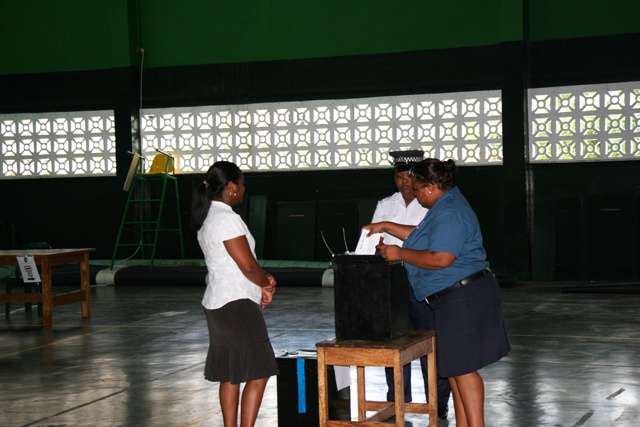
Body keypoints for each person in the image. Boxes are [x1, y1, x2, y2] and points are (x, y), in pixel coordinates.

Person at [364, 158, 510, 427]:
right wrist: (384, 225)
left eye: (417, 190)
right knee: (454, 369)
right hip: (450, 298)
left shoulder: (450, 211)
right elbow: (419, 235)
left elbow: (441, 258)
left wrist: (399, 253)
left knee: (464, 370)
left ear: (430, 186)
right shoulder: (443, 206)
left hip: (462, 296)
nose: (416, 196)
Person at [191, 161, 279, 427]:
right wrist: (266, 282)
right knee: (261, 370)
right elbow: (247, 265)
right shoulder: (227, 218)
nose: (243, 189)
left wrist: (261, 281)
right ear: (231, 186)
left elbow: (240, 264)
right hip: (236, 303)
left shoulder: (207, 216)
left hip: (218, 301)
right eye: (241, 183)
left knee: (231, 374)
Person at [372, 150, 451, 420]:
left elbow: (427, 245)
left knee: (430, 341)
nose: (404, 182)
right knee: (394, 342)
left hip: (424, 279)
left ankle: (437, 401)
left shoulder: (431, 204)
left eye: (409, 177)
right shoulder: (385, 204)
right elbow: (376, 240)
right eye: (399, 177)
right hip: (392, 281)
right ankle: (396, 400)